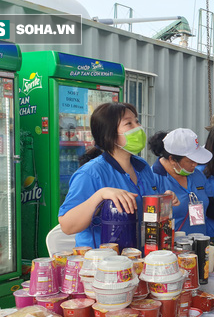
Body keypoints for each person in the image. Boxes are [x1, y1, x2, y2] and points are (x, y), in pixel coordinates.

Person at [58, 102, 178, 247]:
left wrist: (163, 201)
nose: (138, 127)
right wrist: (100, 195)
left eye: (137, 121)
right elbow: (67, 226)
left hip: (137, 258)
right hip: (102, 263)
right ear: (110, 134)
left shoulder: (142, 166)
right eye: (129, 123)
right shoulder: (90, 173)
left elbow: (146, 212)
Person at [148, 128, 214, 235]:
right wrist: (163, 202)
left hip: (198, 242)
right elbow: (148, 218)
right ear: (172, 159)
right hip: (169, 246)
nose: (195, 164)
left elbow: (209, 205)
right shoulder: (152, 179)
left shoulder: (197, 175)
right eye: (190, 161)